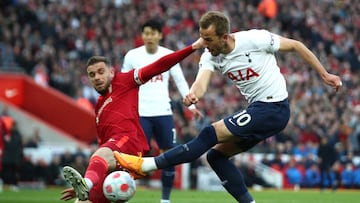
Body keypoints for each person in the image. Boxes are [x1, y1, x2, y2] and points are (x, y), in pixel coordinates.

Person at [114, 11, 342, 203]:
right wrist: (194, 94)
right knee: (216, 157)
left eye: (209, 39)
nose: (204, 43)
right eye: (201, 38)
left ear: (225, 37)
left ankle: (147, 165)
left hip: (273, 107)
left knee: (209, 133)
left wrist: (324, 74)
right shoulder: (210, 56)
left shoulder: (255, 39)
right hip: (262, 112)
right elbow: (202, 81)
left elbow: (296, 45)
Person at [60, 38, 205, 203]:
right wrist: (95, 178)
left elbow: (160, 65)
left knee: (101, 154)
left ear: (112, 72)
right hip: (115, 157)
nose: (97, 77)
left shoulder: (124, 81)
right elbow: (104, 146)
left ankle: (85, 183)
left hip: (128, 143)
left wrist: (193, 47)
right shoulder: (99, 107)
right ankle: (88, 185)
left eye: (101, 71)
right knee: (83, 201)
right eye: (92, 75)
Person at [121, 19, 202, 203]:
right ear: (142, 35)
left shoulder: (168, 55)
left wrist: (192, 106)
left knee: (168, 155)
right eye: (146, 33)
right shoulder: (132, 56)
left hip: (163, 112)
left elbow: (180, 81)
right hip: (140, 114)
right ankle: (123, 194)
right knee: (135, 156)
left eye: (153, 33)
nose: (149, 37)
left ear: (160, 35)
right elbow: (124, 84)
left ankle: (165, 200)